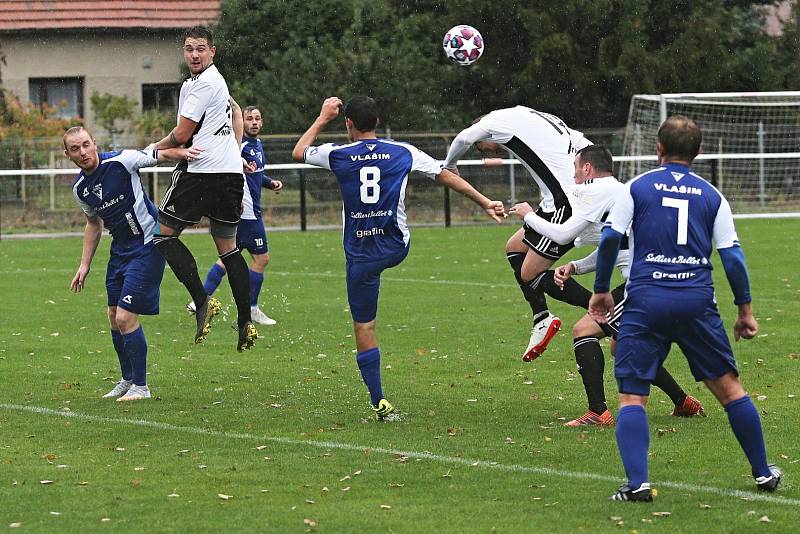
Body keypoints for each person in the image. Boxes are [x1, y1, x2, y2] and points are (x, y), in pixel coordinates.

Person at [589, 116, 781, 501]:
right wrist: (745, 310)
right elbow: (733, 258)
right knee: (730, 390)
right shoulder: (712, 195)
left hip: (645, 299)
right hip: (696, 300)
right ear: (700, 152)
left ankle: (638, 484)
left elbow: (610, 240)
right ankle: (763, 473)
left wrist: (600, 292)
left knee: (632, 396)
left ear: (658, 149)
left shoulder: (635, 188)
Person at [293, 96, 505, 420]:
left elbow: (299, 151)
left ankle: (379, 402)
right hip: (396, 246)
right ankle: (379, 400)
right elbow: (443, 174)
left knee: (365, 327)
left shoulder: (338, 154)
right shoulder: (402, 151)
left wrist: (322, 118)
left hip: (361, 255)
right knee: (380, 266)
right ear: (377, 121)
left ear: (348, 124)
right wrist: (485, 201)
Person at [511, 145, 704, 426]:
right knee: (621, 346)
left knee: (583, 331)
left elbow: (564, 233)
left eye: (576, 167)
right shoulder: (617, 191)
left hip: (647, 283)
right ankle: (683, 402)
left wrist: (529, 215)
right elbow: (615, 247)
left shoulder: (598, 191)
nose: (574, 174)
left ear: (587, 168)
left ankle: (598, 413)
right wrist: (576, 266)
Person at [443, 107, 595, 363]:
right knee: (514, 248)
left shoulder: (494, 122)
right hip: (558, 201)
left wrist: (450, 165)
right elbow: (584, 144)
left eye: (482, 148)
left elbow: (464, 138)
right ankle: (541, 318)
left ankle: (602, 310)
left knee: (530, 273)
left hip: (565, 204)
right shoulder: (532, 115)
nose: (487, 152)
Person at [65, 126, 198, 401]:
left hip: (149, 245)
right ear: (67, 154)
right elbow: (93, 224)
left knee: (125, 317)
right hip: (120, 250)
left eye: (86, 145)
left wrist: (185, 153)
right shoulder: (81, 189)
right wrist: (84, 265)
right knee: (114, 316)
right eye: (75, 149)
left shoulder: (121, 161)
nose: (83, 152)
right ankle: (127, 380)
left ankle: (141, 387)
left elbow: (157, 154)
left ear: (95, 143)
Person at [148, 25, 257, 352]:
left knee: (162, 236)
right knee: (229, 250)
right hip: (228, 176)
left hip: (201, 172)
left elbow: (182, 135)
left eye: (200, 49)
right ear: (185, 51)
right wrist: (234, 154)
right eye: (189, 49)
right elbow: (236, 113)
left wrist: (154, 147)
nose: (194, 54)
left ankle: (202, 300)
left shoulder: (201, 85)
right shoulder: (218, 81)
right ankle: (244, 321)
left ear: (212, 51)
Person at [190, 106, 283, 325]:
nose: (254, 122)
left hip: (246, 212)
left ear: (262, 122)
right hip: (247, 213)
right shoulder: (238, 146)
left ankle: (199, 300)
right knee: (261, 258)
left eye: (257, 118)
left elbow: (255, 175)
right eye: (249, 118)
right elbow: (228, 171)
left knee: (227, 258)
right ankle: (251, 308)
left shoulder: (257, 145)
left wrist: (271, 183)